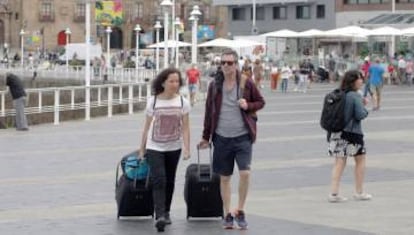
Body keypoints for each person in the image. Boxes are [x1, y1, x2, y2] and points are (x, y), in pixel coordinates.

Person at [199, 49, 265, 230]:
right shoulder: (214, 85)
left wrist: (248, 105)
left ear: (236, 64)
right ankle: (227, 213)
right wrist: (206, 137)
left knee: (245, 173)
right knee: (225, 178)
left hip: (242, 136)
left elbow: (261, 102)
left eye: (230, 63)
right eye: (223, 63)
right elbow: (208, 112)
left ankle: (240, 210)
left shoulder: (245, 82)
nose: (226, 66)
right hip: (221, 138)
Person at [139, 68, 191, 232]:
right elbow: (146, 127)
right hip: (154, 146)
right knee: (159, 179)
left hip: (174, 147)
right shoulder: (153, 101)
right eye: (171, 81)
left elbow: (186, 128)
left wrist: (187, 148)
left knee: (170, 180)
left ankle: (166, 211)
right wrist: (142, 149)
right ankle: (159, 215)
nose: (175, 84)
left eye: (177, 81)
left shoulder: (183, 102)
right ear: (163, 82)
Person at [328, 70, 371, 203]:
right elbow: (360, 115)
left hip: (336, 132)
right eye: (360, 79)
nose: (362, 81)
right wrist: (364, 106)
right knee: (360, 160)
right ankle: (359, 192)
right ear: (353, 81)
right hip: (352, 134)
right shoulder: (354, 95)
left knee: (339, 162)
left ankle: (334, 194)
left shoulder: (339, 93)